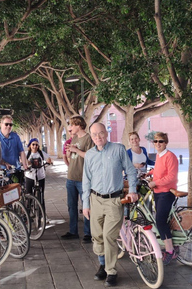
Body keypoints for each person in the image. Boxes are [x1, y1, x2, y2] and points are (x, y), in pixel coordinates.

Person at [82, 123, 139, 287]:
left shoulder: (118, 149)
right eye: (94, 135)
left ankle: (111, 271)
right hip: (95, 200)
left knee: (109, 236)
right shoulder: (90, 155)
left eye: (101, 133)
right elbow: (86, 180)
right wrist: (86, 204)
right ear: (91, 137)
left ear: (106, 133)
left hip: (114, 200)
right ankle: (102, 265)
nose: (98, 137)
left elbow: (131, 170)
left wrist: (133, 190)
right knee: (97, 237)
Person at [145, 132, 179, 265]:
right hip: (158, 192)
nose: (157, 144)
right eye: (155, 141)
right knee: (163, 219)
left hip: (166, 192)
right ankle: (173, 245)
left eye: (161, 141)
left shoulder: (170, 156)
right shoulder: (159, 155)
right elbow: (159, 170)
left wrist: (155, 182)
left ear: (166, 143)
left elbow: (171, 176)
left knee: (160, 220)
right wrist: (149, 173)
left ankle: (169, 250)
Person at [62, 115, 95, 242]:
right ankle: (73, 231)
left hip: (83, 178)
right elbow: (72, 156)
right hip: (71, 177)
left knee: (86, 205)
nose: (70, 128)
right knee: (71, 206)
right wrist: (70, 152)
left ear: (79, 125)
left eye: (72, 125)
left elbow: (90, 156)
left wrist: (75, 149)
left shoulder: (88, 139)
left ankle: (88, 233)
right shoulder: (74, 138)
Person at [24, 138, 53, 213]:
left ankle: (42, 215)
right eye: (33, 144)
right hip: (30, 176)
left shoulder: (41, 153)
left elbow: (48, 159)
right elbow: (22, 160)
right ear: (30, 145)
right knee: (29, 196)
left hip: (40, 176)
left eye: (36, 144)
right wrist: (25, 163)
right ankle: (27, 214)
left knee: (41, 196)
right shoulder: (27, 153)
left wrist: (49, 161)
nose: (35, 146)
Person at [0, 115, 28, 181]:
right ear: (1, 124)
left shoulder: (16, 136)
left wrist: (25, 166)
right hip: (1, 172)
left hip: (15, 170)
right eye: (6, 124)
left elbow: (21, 152)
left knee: (18, 189)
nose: (9, 126)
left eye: (10, 125)